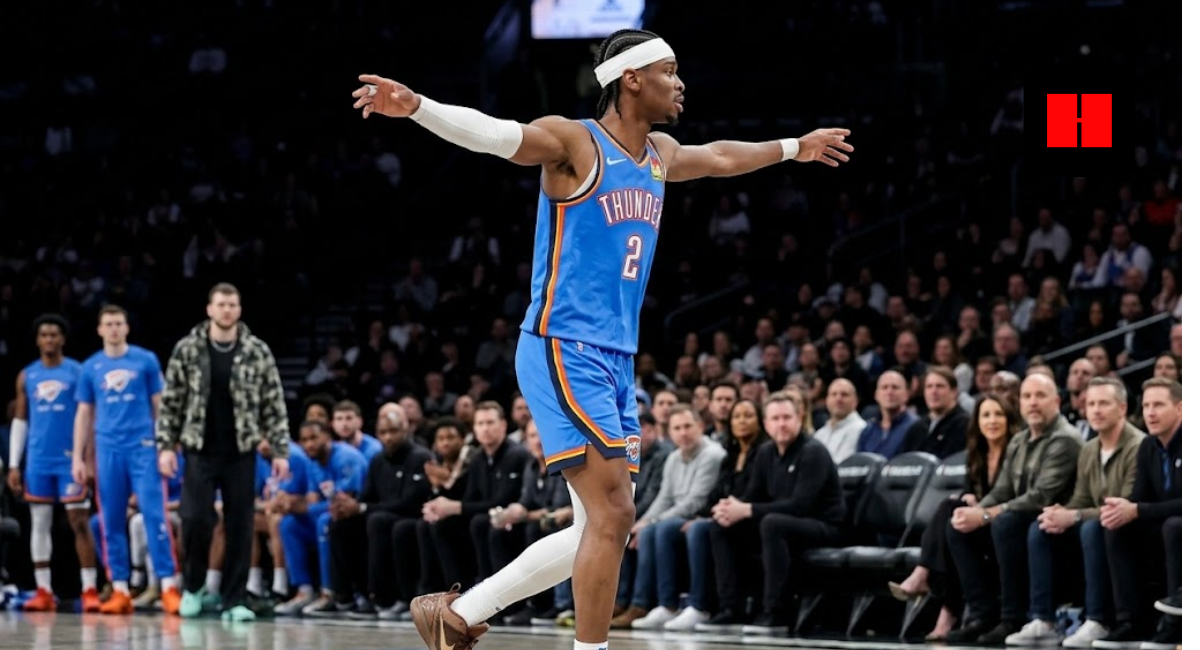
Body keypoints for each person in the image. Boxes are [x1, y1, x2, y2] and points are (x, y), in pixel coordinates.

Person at [354, 27, 853, 650]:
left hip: (615, 357)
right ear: (632, 78)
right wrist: (420, 107)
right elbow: (496, 134)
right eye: (669, 71)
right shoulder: (575, 142)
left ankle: (457, 615)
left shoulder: (660, 155)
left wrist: (792, 147)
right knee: (614, 516)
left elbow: (722, 156)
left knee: (600, 524)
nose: (681, 83)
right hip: (562, 344)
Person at [156, 283, 292, 621]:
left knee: (240, 525)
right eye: (221, 304)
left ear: (239, 309)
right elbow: (171, 402)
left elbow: (273, 403)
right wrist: (165, 446)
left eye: (232, 304)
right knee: (195, 519)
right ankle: (193, 587)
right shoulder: (188, 349)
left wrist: (279, 449)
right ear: (210, 309)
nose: (227, 310)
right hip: (199, 449)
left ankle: (234, 599)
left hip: (241, 451)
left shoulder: (256, 350)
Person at [72, 305, 180, 615]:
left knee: (154, 515)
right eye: (109, 324)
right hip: (108, 450)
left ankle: (168, 586)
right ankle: (119, 589)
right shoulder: (90, 367)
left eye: (119, 323)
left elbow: (160, 405)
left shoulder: (145, 360)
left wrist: (166, 447)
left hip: (143, 446)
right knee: (111, 520)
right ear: (100, 329)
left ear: (127, 328)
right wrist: (79, 458)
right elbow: (83, 414)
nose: (115, 328)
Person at [7, 314, 100, 612]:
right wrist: (13, 464)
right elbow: (21, 420)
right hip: (37, 461)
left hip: (69, 461)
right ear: (37, 340)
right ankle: (44, 590)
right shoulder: (27, 375)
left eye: (54, 335)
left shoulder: (78, 372)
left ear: (62, 339)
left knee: (79, 522)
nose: (49, 339)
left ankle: (89, 590)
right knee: (40, 523)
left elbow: (89, 416)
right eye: (44, 335)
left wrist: (88, 458)